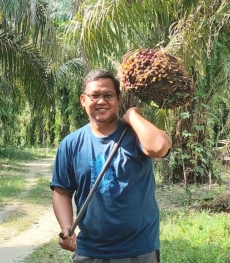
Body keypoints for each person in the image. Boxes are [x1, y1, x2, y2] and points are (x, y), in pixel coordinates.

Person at [50, 69, 172, 263]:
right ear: (83, 100)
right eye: (94, 95)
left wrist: (132, 116)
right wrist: (66, 227)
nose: (101, 101)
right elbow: (62, 191)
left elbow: (159, 146)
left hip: (139, 248)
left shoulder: (136, 135)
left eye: (108, 95)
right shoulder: (71, 144)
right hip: (91, 250)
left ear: (119, 99)